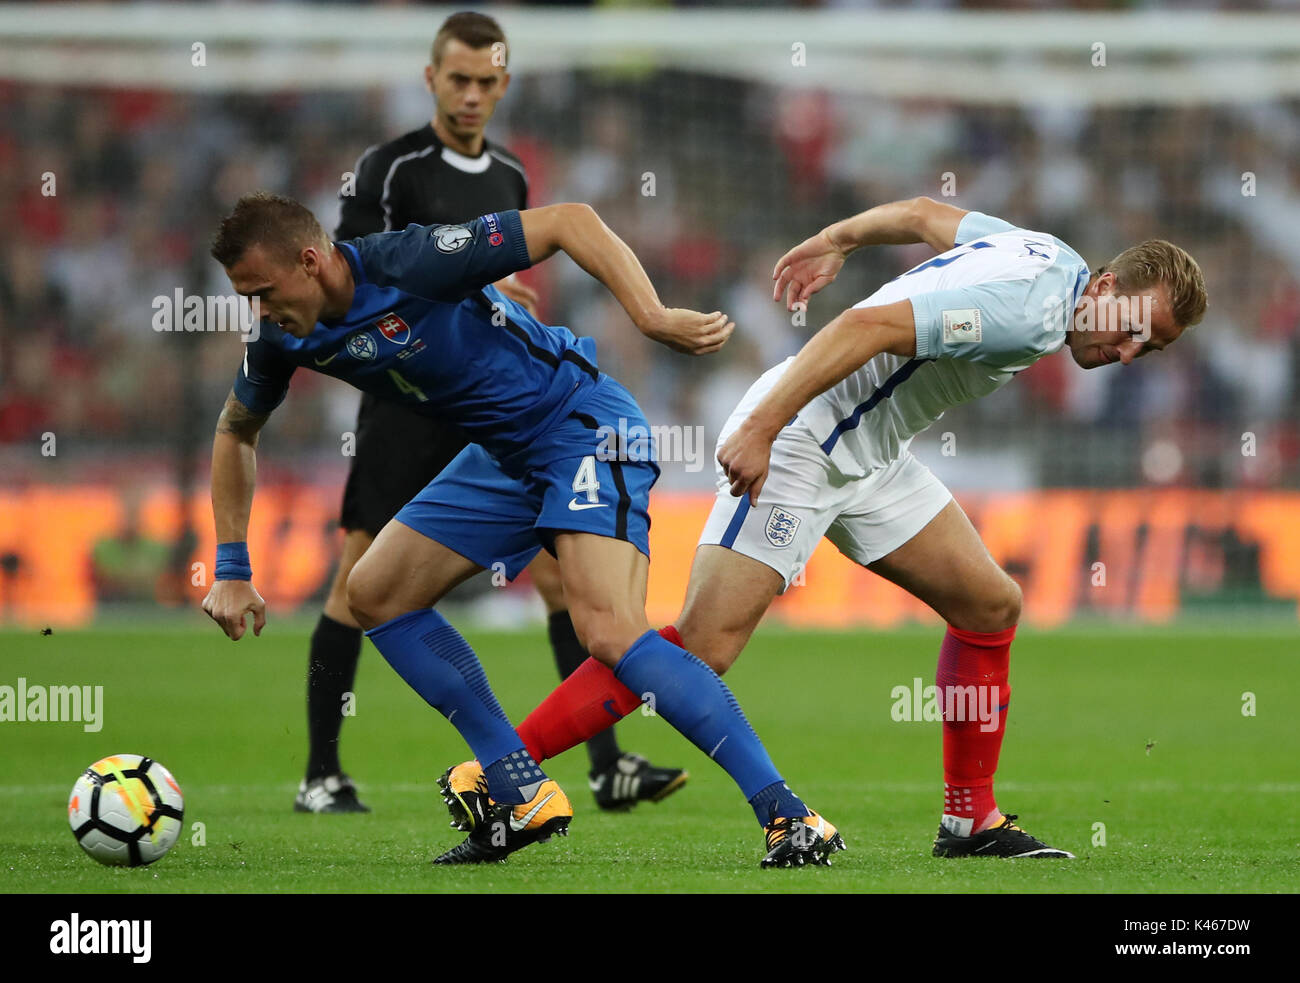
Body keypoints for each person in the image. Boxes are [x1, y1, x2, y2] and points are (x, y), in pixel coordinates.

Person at [461, 195, 1206, 859]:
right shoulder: (1029, 311)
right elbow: (868, 323)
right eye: (1135, 329)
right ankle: (499, 766)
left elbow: (921, 216)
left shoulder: (1056, 259)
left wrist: (839, 236)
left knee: (990, 606)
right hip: (804, 439)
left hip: (873, 455)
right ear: (1107, 289)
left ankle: (970, 820)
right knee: (705, 644)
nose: (1132, 353)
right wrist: (762, 425)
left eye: (1154, 346)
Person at [202, 192, 844, 867]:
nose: (260, 310)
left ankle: (790, 816)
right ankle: (518, 786)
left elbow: (571, 221)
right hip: (504, 456)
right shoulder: (282, 337)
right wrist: (233, 567)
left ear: (309, 261)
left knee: (611, 630)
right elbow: (234, 431)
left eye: (263, 291)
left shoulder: (410, 260)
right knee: (374, 591)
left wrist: (650, 316)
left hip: (580, 424)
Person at [297, 10, 685, 816]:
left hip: (489, 402)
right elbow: (351, 270)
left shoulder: (509, 172)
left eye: (486, 82)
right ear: (431, 77)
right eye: (458, 79)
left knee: (556, 578)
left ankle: (604, 764)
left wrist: (498, 286)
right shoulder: (389, 166)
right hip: (404, 405)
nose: (472, 95)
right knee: (358, 580)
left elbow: (512, 245)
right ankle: (321, 771)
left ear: (503, 85)